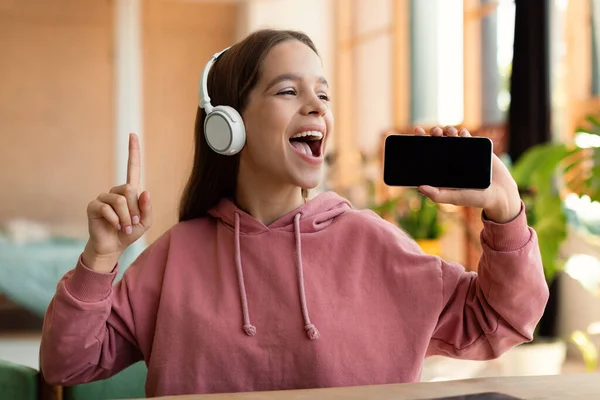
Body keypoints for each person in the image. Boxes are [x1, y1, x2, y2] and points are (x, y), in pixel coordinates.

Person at [39, 29, 548, 397]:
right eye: (288, 90)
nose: (317, 107)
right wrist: (99, 259)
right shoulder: (174, 257)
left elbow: (502, 320)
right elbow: (67, 364)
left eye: (323, 94)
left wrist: (506, 214)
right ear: (227, 125)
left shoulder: (375, 244)